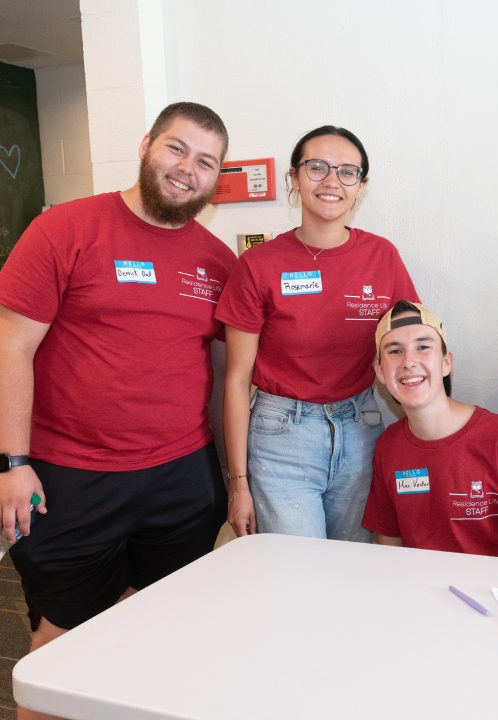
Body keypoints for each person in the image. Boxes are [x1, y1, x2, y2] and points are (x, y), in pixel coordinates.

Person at [0, 101, 236, 713]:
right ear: (146, 144)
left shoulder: (217, 261)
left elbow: (223, 370)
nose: (187, 168)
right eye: (176, 148)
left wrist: (230, 478)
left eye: (206, 161)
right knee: (59, 647)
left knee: (151, 626)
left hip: (182, 476)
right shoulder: (65, 229)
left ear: (216, 177)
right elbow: (11, 347)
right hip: (71, 477)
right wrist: (11, 463)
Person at [216, 125, 419, 542]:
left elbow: (414, 350)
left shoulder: (382, 256)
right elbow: (236, 380)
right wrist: (238, 484)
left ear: (361, 186)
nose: (331, 181)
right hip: (281, 437)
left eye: (347, 172)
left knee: (355, 566)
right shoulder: (258, 264)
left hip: (361, 427)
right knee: (300, 571)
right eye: (317, 167)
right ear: (294, 177)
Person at [361, 300, 498, 560]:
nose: (408, 362)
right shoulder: (387, 448)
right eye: (395, 351)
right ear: (380, 371)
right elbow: (389, 554)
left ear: (446, 362)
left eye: (423, 347)